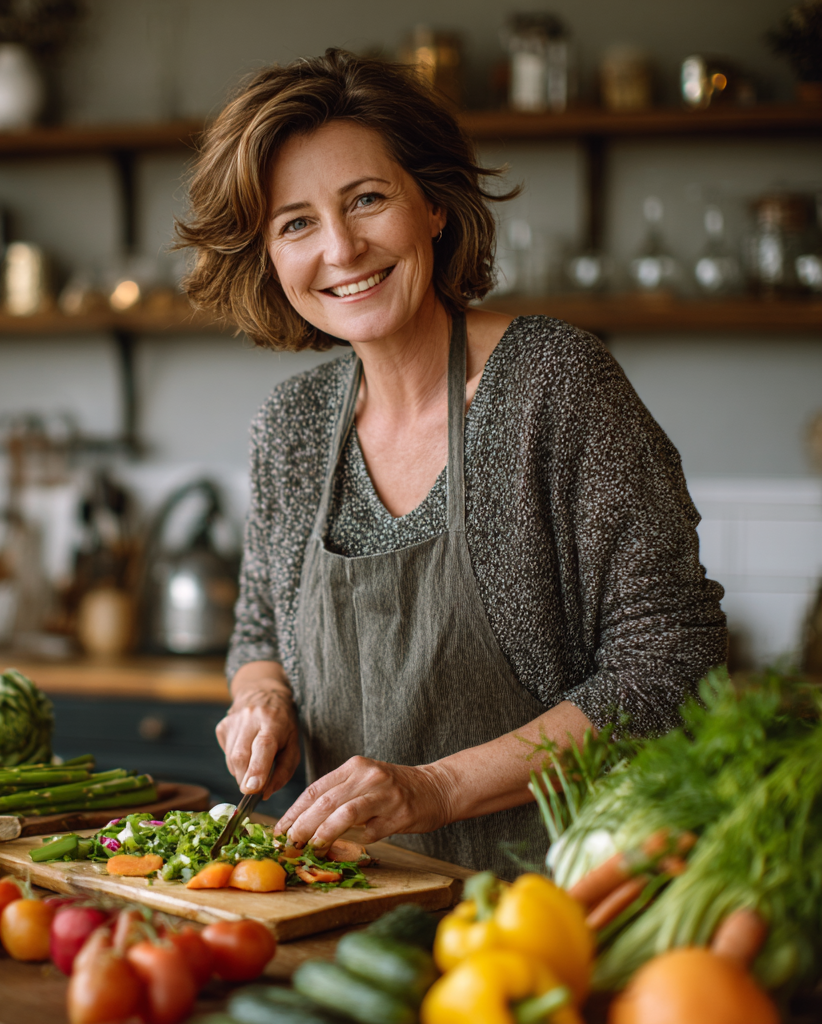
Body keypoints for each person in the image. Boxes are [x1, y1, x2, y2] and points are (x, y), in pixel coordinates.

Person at [175, 49, 726, 876]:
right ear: (269, 256)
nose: (341, 248)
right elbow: (260, 632)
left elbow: (670, 670)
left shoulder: (556, 386)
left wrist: (434, 789)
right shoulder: (289, 426)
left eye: (366, 200)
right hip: (340, 910)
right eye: (296, 223)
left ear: (433, 204)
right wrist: (260, 700)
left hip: (556, 911)